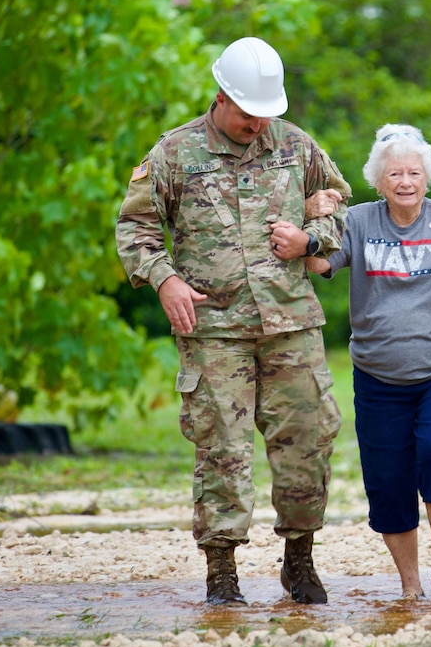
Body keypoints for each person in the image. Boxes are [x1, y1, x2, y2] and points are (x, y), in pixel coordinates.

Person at [115, 36, 353, 606]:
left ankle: (300, 559)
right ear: (221, 97)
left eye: (267, 114)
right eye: (249, 114)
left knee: (307, 440)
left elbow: (339, 201)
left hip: (291, 323)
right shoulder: (174, 154)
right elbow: (135, 230)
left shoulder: (297, 146)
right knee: (221, 448)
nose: (258, 125)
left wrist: (311, 238)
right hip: (215, 328)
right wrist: (163, 277)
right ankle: (222, 570)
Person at [305, 124, 431, 600]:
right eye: (394, 173)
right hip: (377, 374)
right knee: (388, 479)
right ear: (379, 181)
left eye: (414, 172)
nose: (405, 181)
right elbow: (319, 264)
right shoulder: (358, 221)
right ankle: (410, 586)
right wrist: (312, 217)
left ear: (427, 178)